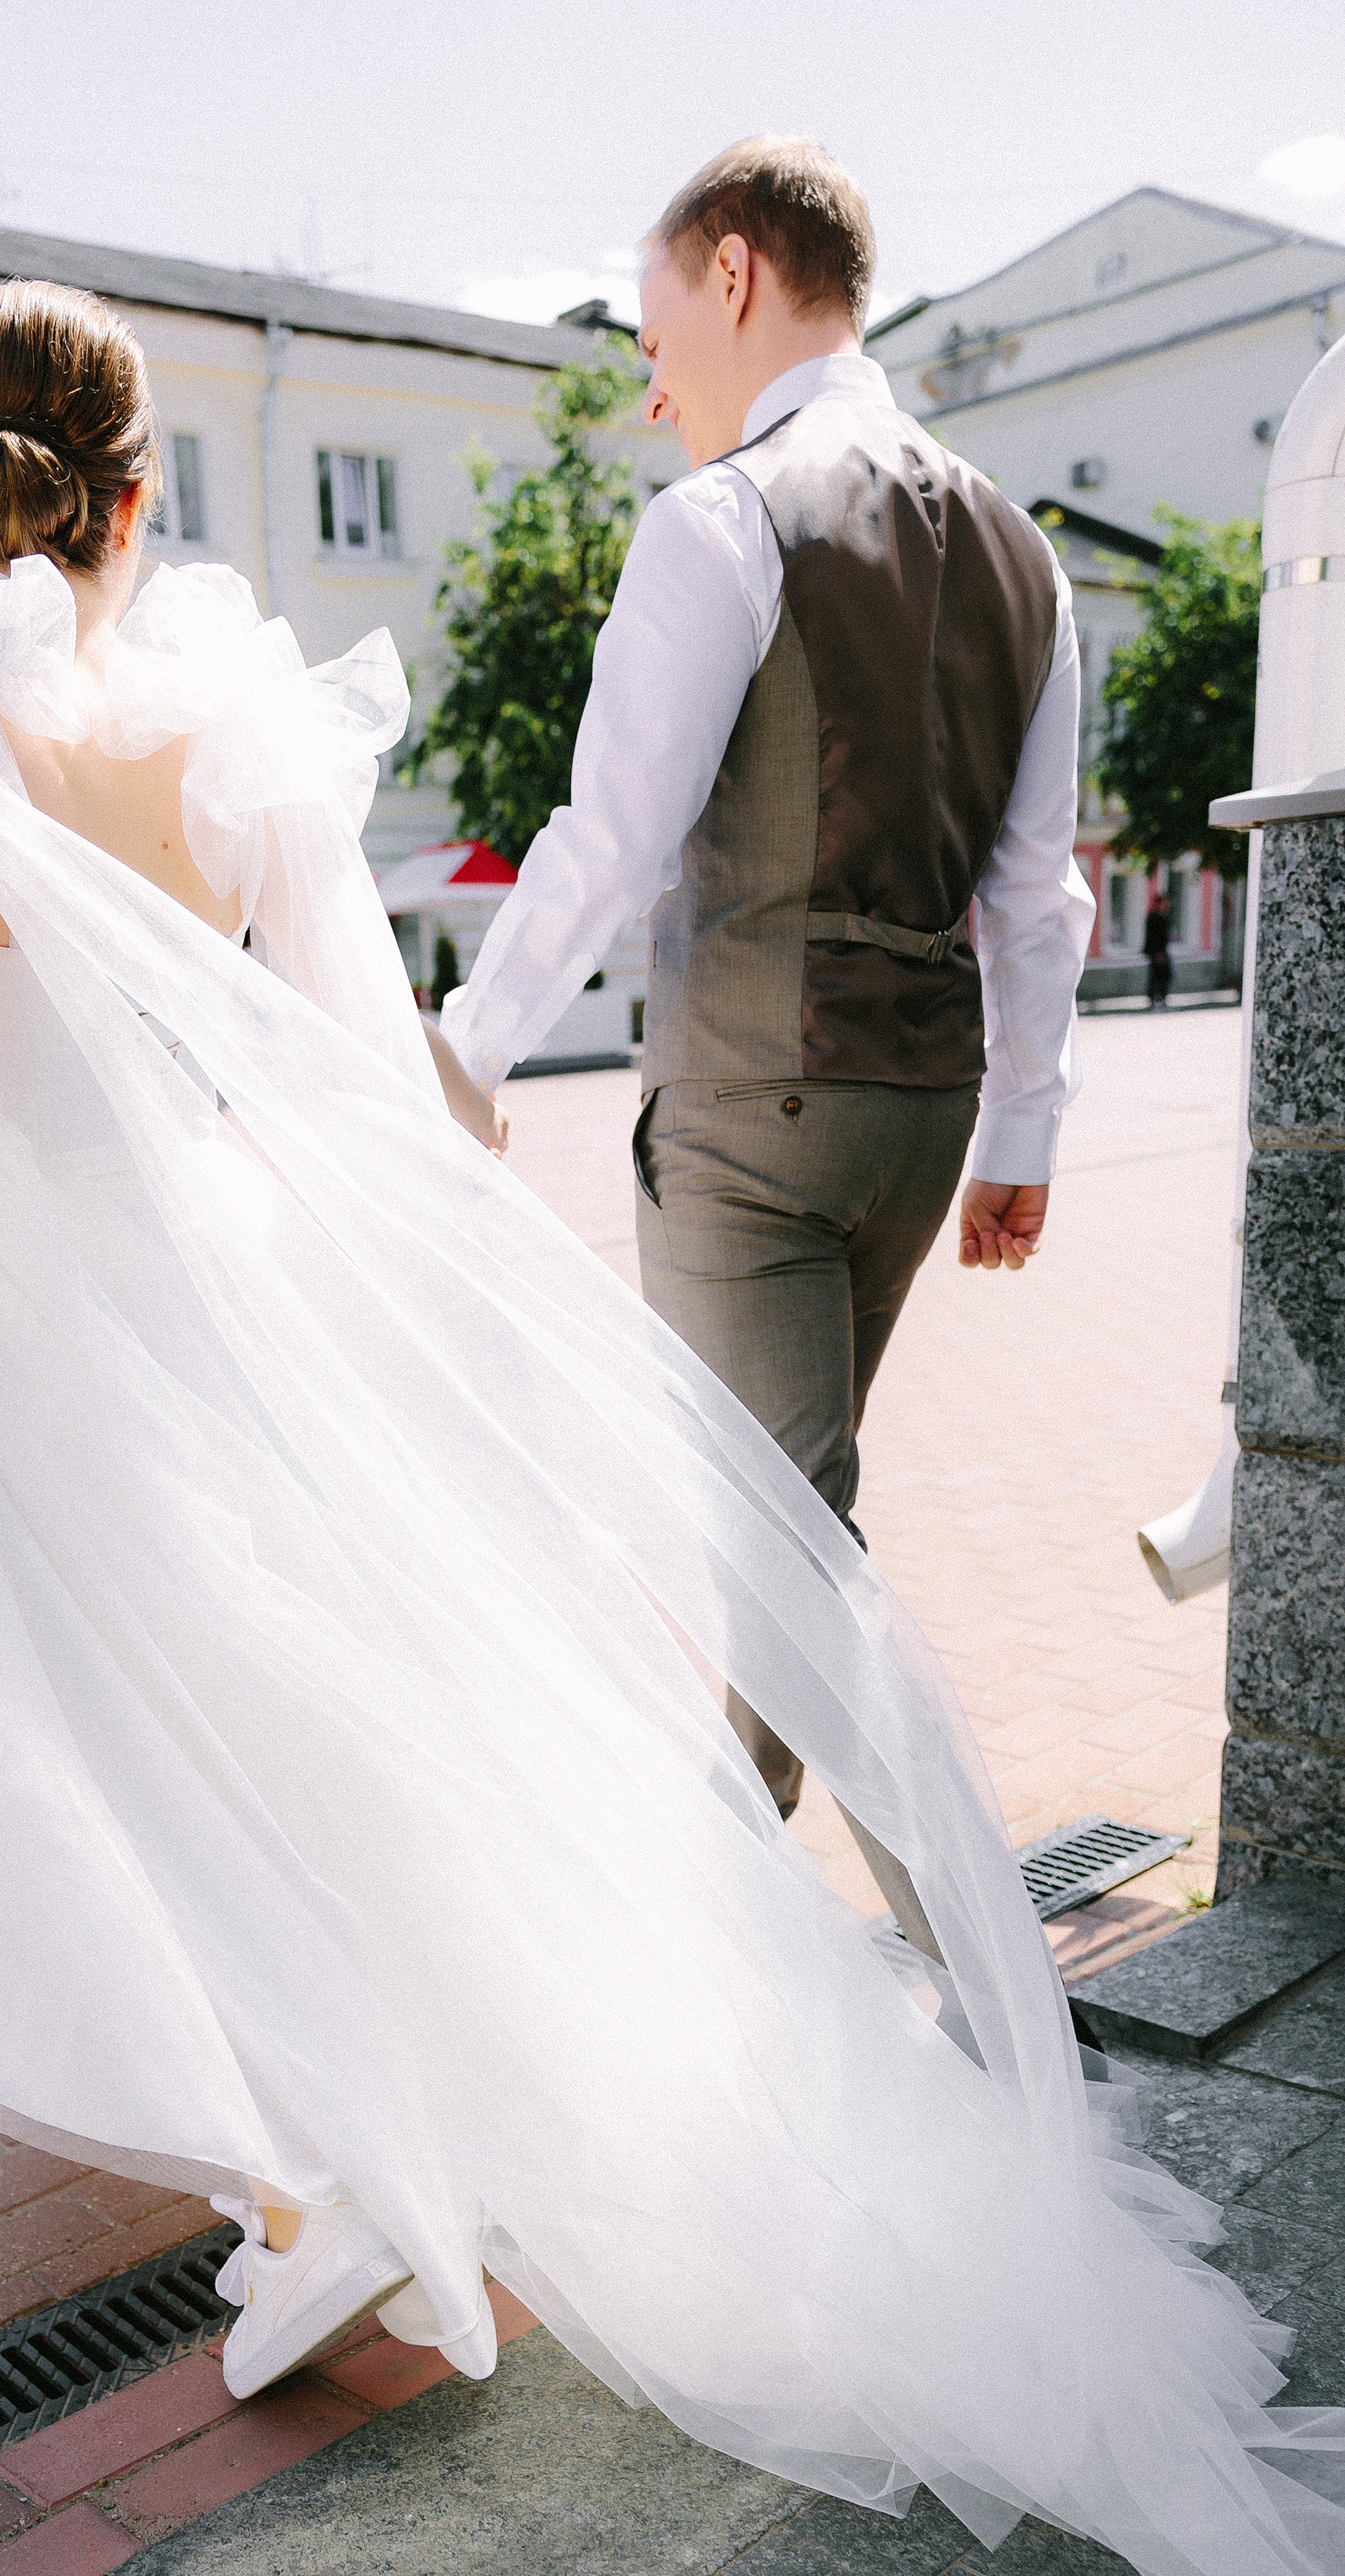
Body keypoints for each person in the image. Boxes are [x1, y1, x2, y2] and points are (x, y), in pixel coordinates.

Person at [0, 276, 1345, 2576]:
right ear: (145, 489)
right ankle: (375, 2179)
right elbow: (342, 1049)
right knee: (340, 1722)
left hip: (82, 1329)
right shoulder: (228, 700)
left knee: (175, 1741)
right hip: (252, 1279)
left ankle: (343, 2184)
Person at [441, 140, 1092, 1948]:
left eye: (652, 330)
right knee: (783, 1533)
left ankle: (995, 2000)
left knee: (795, 1561)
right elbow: (1036, 899)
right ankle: (722, 1929)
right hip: (917, 1119)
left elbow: (608, 836)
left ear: (733, 276)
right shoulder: (1026, 554)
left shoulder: (720, 520)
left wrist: (467, 1045)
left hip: (747, 1114)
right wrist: (1022, 1134)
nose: (648, 384)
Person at [1144, 884, 1173, 1007]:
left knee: (1164, 975)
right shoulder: (1154, 918)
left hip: (1162, 950)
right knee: (1158, 975)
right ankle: (1155, 998)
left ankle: (1161, 997)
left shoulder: (1164, 916)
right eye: (1164, 903)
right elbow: (1154, 937)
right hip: (1157, 951)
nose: (1167, 905)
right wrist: (1158, 953)